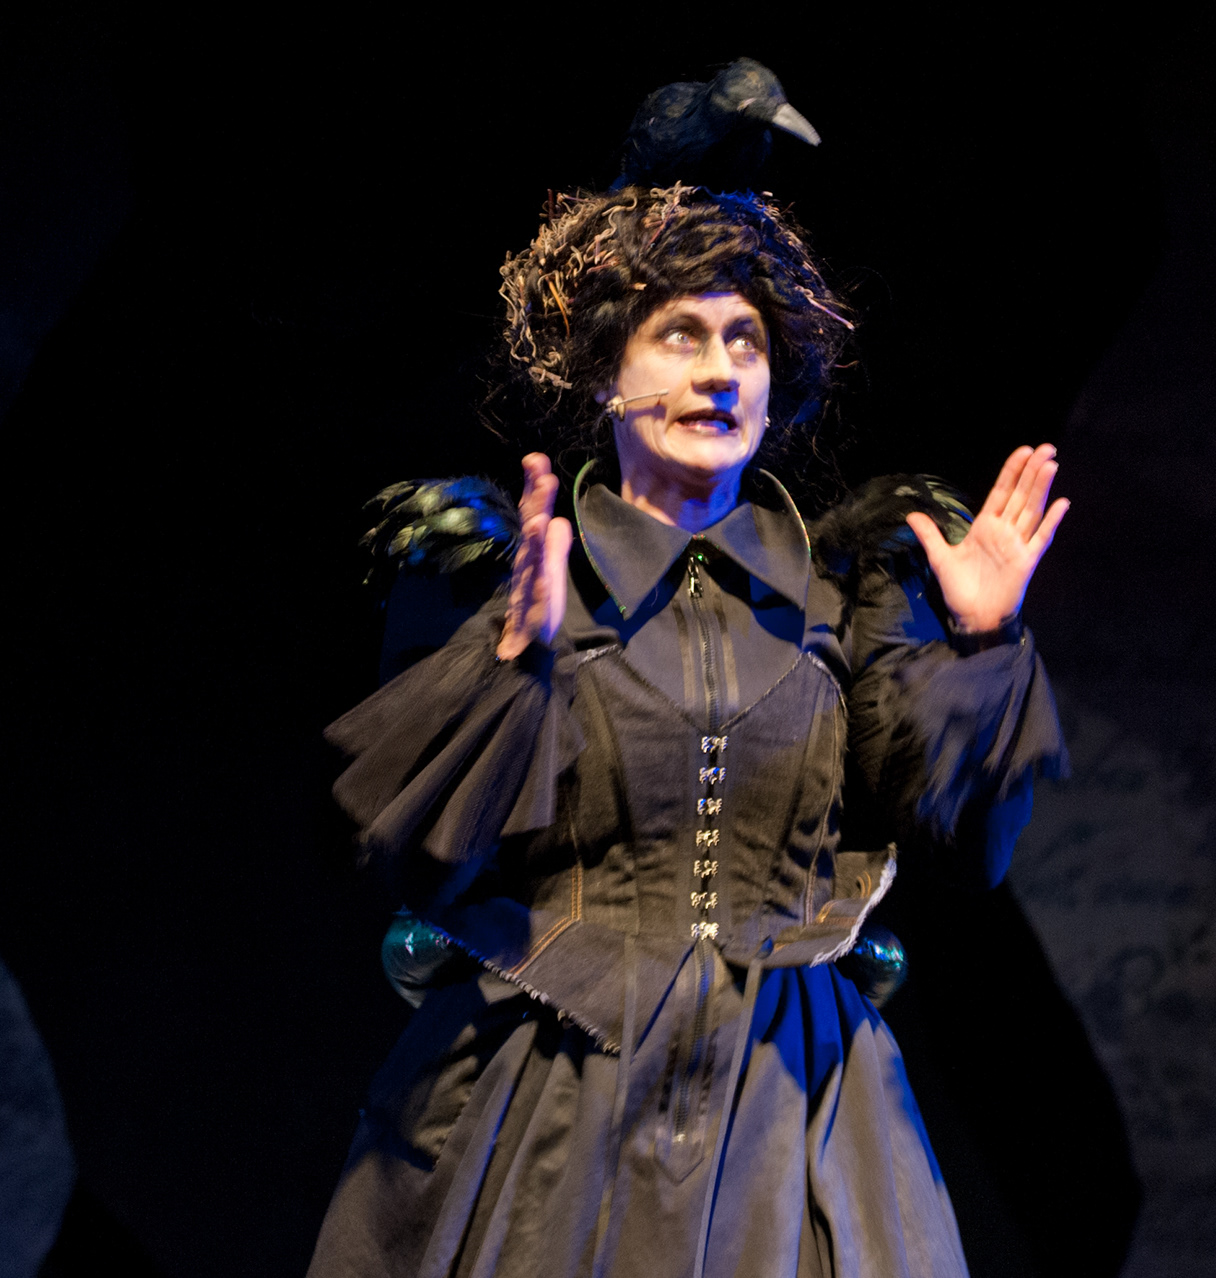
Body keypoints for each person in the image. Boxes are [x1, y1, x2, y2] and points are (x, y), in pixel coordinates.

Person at [308, 181, 1068, 1276]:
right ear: (605, 374)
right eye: (680, 336)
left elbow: (964, 851)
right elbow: (417, 864)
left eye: (745, 342)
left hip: (798, 1107)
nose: (719, 371)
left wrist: (984, 649)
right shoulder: (522, 579)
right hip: (555, 1102)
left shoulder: (841, 599)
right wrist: (514, 663)